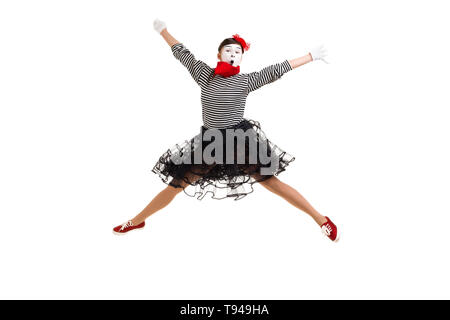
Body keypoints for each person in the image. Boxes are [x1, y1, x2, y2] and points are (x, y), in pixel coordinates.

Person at [113, 18, 339, 242]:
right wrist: (163, 31)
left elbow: (276, 69)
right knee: (176, 185)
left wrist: (311, 56)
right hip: (210, 143)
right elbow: (183, 54)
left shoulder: (245, 81)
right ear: (219, 54)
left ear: (241, 57)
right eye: (228, 50)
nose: (233, 54)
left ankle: (321, 220)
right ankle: (137, 220)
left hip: (239, 141)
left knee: (271, 183)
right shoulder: (205, 75)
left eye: (238, 52)